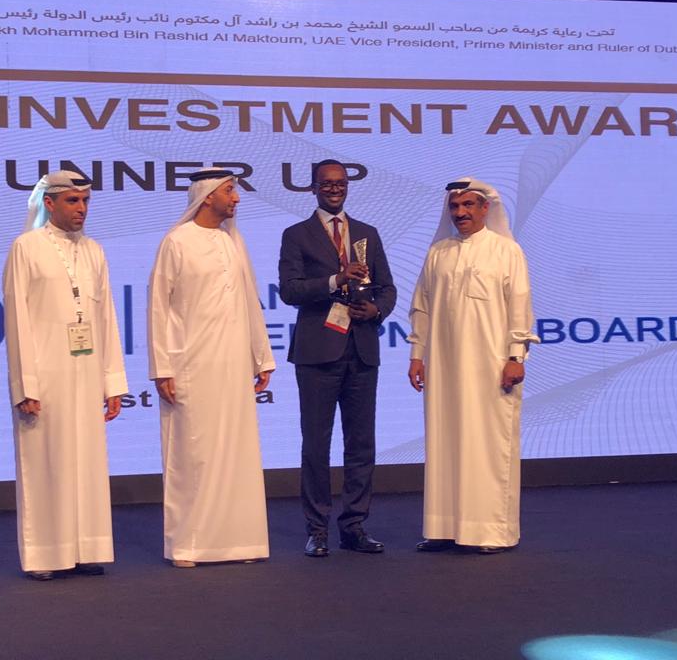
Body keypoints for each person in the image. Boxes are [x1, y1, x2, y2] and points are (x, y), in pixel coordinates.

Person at [2, 170, 128, 580]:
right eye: (73, 201)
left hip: (87, 371)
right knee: (46, 462)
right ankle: (45, 555)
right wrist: (25, 385)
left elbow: (106, 319)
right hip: (45, 374)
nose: (81, 209)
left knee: (87, 462)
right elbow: (17, 321)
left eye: (86, 201)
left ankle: (86, 549)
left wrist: (112, 382)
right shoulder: (26, 247)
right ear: (49, 203)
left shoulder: (94, 250)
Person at [148, 168, 275, 568]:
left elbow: (250, 301)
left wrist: (262, 356)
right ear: (207, 196)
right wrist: (162, 367)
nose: (236, 198)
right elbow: (158, 308)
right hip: (191, 364)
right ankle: (189, 545)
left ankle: (241, 542)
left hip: (234, 364)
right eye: (230, 191)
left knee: (238, 451)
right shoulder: (176, 242)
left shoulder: (233, 241)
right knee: (194, 454)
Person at [408, 178, 538, 554]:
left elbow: (520, 305)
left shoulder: (506, 250)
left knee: (487, 444)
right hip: (444, 367)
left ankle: (490, 532)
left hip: (491, 366)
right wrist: (416, 355)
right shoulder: (439, 252)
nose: (460, 213)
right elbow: (421, 307)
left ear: (485, 209)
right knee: (445, 441)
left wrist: (515, 356)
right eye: (455, 206)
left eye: (468, 205)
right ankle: (445, 528)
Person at [278, 159, 397, 557]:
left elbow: (387, 287)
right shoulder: (297, 235)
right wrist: (335, 280)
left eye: (340, 183)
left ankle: (354, 526)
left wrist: (376, 310)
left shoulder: (367, 233)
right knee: (316, 444)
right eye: (326, 184)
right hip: (317, 352)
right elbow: (290, 291)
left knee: (361, 444)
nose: (334, 189)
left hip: (361, 349)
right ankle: (317, 529)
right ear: (313, 188)